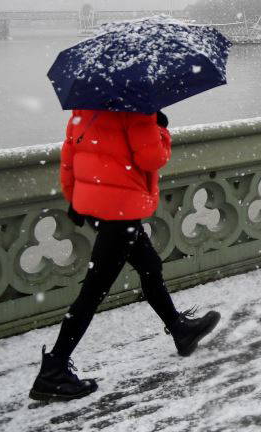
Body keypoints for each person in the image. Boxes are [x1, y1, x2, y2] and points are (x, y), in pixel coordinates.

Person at [29, 109, 222, 402]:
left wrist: (75, 199)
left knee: (149, 265)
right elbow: (152, 159)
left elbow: (69, 157)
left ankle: (180, 329)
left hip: (96, 205)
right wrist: (160, 127)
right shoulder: (136, 110)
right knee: (94, 289)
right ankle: (54, 369)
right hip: (120, 209)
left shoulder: (84, 108)